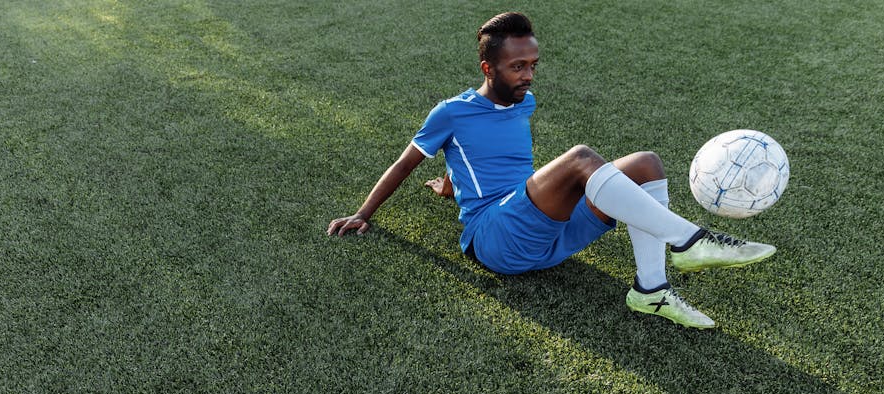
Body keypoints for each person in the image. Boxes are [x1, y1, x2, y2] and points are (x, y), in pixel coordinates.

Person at [325, 11, 775, 329]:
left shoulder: (525, 103)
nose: (528, 76)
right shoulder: (450, 113)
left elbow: (479, 158)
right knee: (580, 158)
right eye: (517, 67)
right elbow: (405, 164)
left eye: (533, 65)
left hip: (549, 235)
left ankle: (651, 290)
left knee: (646, 164)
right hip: (497, 241)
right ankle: (689, 240)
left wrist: (450, 185)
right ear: (488, 67)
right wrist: (364, 214)